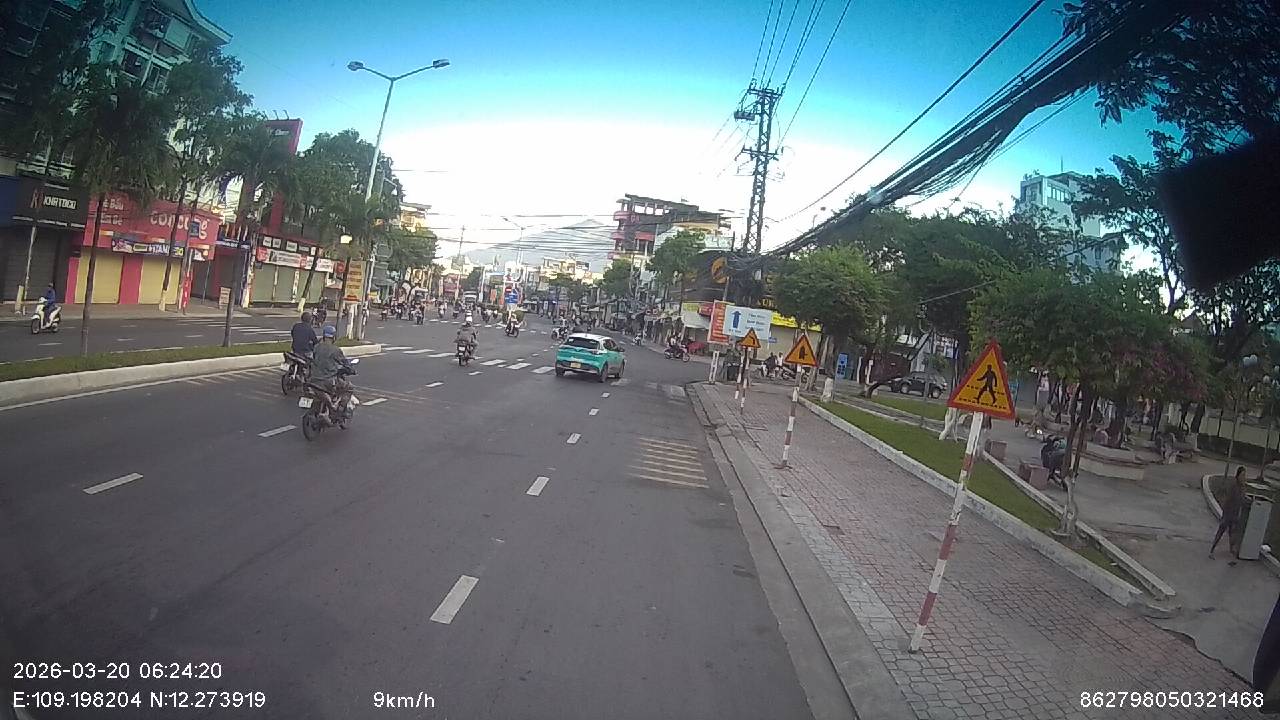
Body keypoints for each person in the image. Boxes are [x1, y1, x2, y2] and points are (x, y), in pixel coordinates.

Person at [309, 325, 355, 412]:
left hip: (313, 379)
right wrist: (351, 369)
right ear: (334, 337)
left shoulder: (317, 347)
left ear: (323, 336)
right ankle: (340, 407)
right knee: (349, 387)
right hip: (328, 381)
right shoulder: (335, 350)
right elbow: (344, 362)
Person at [1211, 466, 1249, 564]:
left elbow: (1242, 499)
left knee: (1233, 535)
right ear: (1238, 475)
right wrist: (1225, 512)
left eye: (1244, 475)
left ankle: (1233, 557)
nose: (1243, 477)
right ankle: (1212, 550)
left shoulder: (1243, 487)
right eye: (1242, 475)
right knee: (1221, 531)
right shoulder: (1233, 485)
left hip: (1235, 514)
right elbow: (1228, 499)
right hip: (1228, 513)